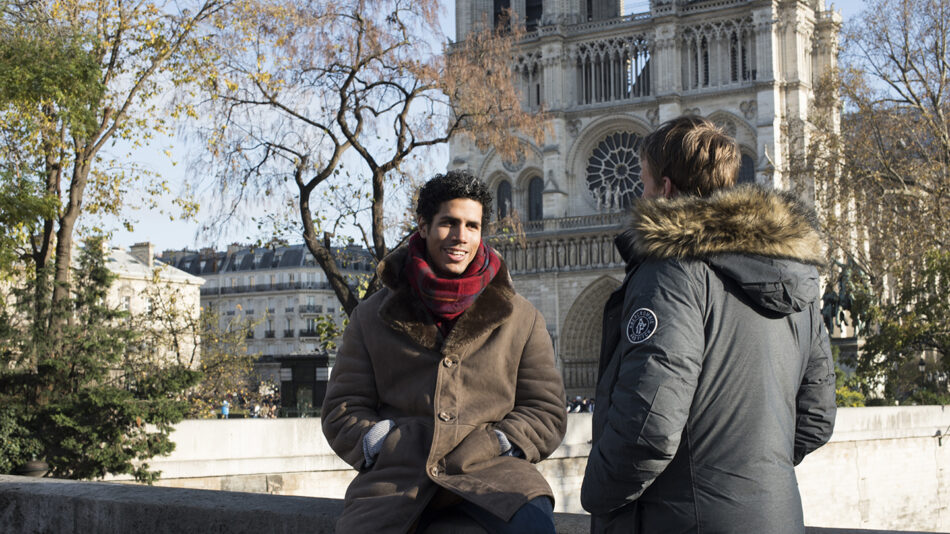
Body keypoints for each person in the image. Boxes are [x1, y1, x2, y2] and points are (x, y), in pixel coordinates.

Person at [581, 116, 837, 533]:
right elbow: (816, 418)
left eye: (642, 183)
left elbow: (649, 424)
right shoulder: (794, 278)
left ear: (664, 189)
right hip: (776, 517)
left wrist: (595, 493)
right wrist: (748, 472)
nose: (640, 195)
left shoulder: (671, 272)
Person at [322, 170, 567, 534]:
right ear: (422, 226)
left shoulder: (522, 318)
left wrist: (498, 442)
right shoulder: (371, 317)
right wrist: (382, 443)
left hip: (494, 474)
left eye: (472, 226)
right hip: (398, 479)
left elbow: (545, 410)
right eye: (448, 223)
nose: (460, 237)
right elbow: (342, 408)